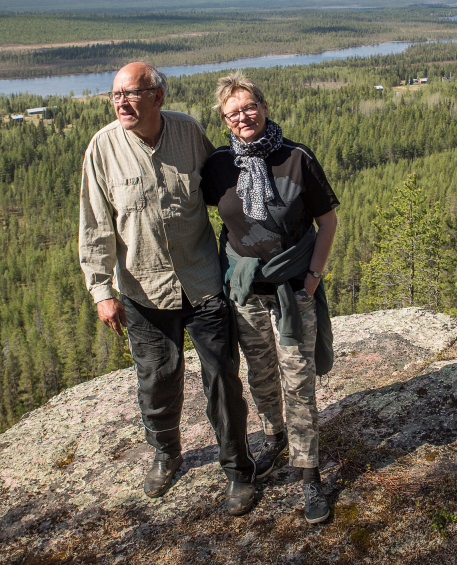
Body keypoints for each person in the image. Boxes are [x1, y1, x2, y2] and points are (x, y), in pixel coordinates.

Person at [78, 61, 261, 516]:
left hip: (202, 282)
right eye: (115, 94)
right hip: (143, 289)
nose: (121, 102)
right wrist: (102, 290)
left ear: (156, 96)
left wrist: (262, 239)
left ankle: (238, 469)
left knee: (222, 377)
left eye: (131, 93)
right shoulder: (102, 148)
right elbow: (96, 224)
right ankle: (166, 454)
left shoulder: (188, 132)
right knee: (157, 380)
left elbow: (225, 191)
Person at [201, 73, 339, 525]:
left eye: (249, 106)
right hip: (245, 295)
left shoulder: (296, 158)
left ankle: (310, 475)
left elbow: (328, 221)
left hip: (292, 292)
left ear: (263, 105)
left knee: (298, 381)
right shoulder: (219, 164)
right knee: (260, 376)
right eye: (233, 112)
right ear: (224, 120)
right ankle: (275, 436)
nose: (244, 116)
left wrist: (313, 278)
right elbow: (200, 217)